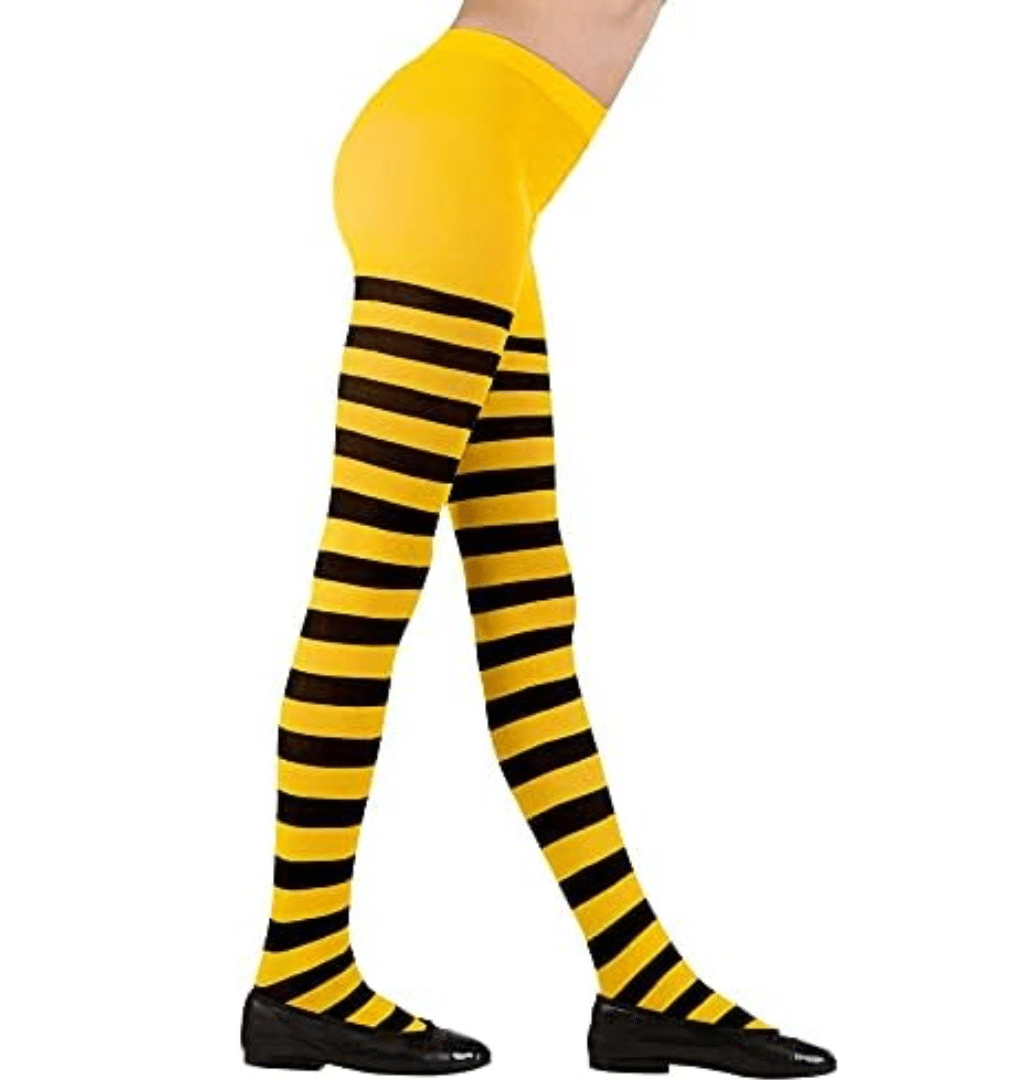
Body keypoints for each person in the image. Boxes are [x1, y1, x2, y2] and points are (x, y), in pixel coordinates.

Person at [241, 3, 836, 1075]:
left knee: (528, 608)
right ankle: (301, 969)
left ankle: (639, 978)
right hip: (453, 162)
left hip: (476, 167)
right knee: (368, 581)